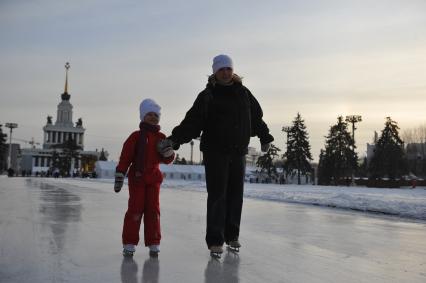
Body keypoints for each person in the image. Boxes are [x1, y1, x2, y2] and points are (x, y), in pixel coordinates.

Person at [158, 54, 274, 257]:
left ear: (233, 71)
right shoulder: (208, 95)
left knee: (235, 195)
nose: (226, 72)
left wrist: (265, 136)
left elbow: (256, 118)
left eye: (228, 69)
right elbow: (193, 122)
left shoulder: (244, 93)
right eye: (222, 69)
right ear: (215, 72)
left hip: (238, 152)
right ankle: (215, 240)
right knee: (218, 196)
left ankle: (232, 236)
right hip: (215, 152)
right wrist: (174, 140)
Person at [114, 98, 175, 257]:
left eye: (156, 115)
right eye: (149, 114)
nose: (153, 117)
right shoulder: (135, 136)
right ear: (142, 116)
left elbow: (166, 159)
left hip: (154, 179)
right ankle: (129, 242)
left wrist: (169, 154)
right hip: (138, 178)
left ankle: (154, 241)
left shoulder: (161, 137)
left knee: (153, 211)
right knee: (135, 209)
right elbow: (125, 157)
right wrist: (120, 173)